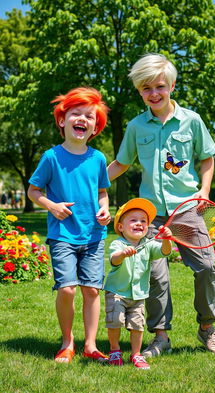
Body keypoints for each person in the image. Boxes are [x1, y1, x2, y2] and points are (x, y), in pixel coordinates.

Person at [108, 53, 215, 356]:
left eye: (159, 86)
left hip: (187, 209)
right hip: (150, 216)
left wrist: (205, 190)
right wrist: (89, 184)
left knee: (207, 268)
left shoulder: (192, 120)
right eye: (146, 88)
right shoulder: (136, 126)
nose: (154, 93)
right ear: (139, 91)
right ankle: (161, 336)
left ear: (172, 85)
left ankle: (207, 327)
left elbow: (207, 157)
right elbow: (121, 163)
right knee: (156, 276)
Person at [28, 87, 111, 363]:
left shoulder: (98, 159)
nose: (83, 119)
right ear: (63, 121)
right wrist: (52, 205)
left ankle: (90, 345)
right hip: (62, 234)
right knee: (67, 288)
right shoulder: (51, 157)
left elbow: (102, 191)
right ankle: (67, 341)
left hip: (94, 234)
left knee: (91, 289)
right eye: (76, 114)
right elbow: (33, 191)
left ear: (94, 128)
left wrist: (105, 208)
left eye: (89, 116)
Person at [104, 198, 172, 369]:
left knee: (137, 326)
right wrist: (123, 254)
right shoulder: (117, 244)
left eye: (143, 221)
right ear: (120, 227)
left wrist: (166, 239)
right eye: (133, 220)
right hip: (117, 293)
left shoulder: (148, 245)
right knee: (115, 321)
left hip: (138, 295)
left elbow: (164, 252)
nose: (139, 224)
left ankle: (136, 354)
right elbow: (114, 259)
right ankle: (114, 350)